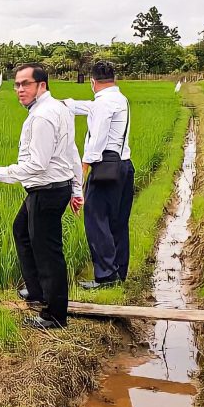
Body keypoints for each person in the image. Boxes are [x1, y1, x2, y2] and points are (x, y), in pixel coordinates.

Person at [0, 63, 84, 329]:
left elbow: (38, 164)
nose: (19, 89)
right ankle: (37, 290)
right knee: (22, 231)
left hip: (46, 190)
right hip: (51, 188)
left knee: (48, 252)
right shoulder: (58, 108)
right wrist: (76, 189)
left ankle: (54, 315)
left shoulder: (42, 116)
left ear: (42, 85)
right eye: (16, 84)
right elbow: (72, 152)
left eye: (25, 84)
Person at [63, 61, 134, 290]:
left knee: (96, 220)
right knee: (118, 222)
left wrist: (84, 164)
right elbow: (86, 107)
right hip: (123, 166)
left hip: (105, 169)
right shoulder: (119, 99)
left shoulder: (103, 104)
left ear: (93, 82)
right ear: (114, 79)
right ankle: (118, 272)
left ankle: (105, 276)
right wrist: (63, 105)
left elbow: (99, 137)